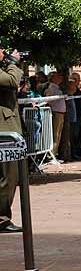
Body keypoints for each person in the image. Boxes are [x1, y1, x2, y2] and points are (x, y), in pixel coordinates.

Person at [0, 48, 23, 233]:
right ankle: (2, 220)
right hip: (4, 130)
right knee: (8, 176)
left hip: (6, 128)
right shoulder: (6, 69)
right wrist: (13, 62)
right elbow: (12, 81)